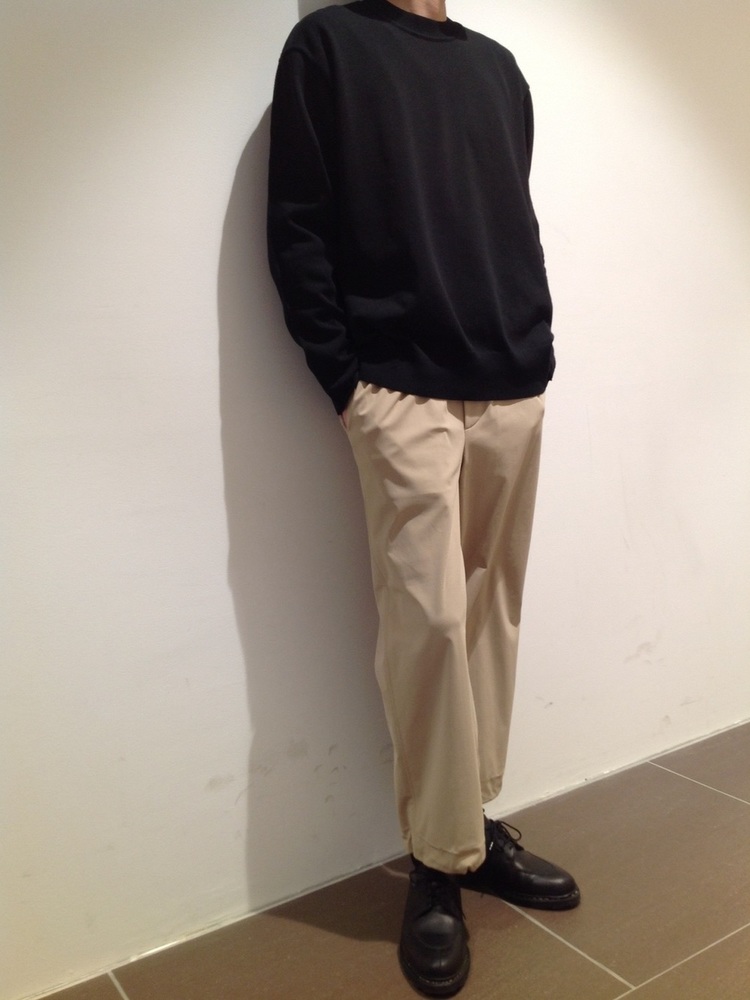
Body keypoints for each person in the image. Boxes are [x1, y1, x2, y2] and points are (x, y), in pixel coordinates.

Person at [267, 1, 579, 994]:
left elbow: (508, 208)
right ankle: (438, 861)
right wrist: (346, 382)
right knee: (430, 622)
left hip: (511, 379)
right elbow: (297, 222)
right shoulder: (328, 44)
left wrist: (537, 341)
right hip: (399, 387)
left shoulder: (497, 68)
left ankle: (470, 830)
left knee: (490, 613)